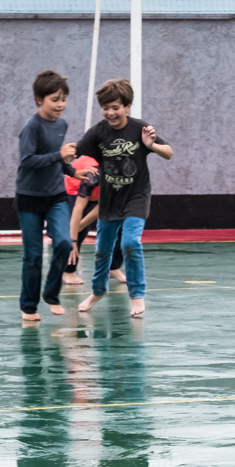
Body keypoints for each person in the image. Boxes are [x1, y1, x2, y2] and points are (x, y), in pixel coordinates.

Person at [75, 79, 173, 317]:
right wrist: (67, 160)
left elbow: (169, 153)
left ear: (127, 106)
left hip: (136, 197)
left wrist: (152, 145)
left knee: (130, 243)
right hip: (109, 199)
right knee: (102, 250)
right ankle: (98, 291)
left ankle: (137, 295)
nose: (110, 112)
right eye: (105, 107)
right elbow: (77, 152)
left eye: (116, 107)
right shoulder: (98, 132)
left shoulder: (140, 128)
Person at [14, 70, 95, 322]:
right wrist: (59, 155)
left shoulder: (62, 125)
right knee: (34, 256)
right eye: (55, 99)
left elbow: (57, 162)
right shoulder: (32, 128)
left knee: (64, 243)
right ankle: (29, 307)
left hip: (56, 196)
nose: (60, 105)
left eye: (64, 99)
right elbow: (28, 161)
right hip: (29, 198)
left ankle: (51, 294)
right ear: (39, 100)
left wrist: (72, 171)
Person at [63, 155, 125, 287]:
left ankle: (113, 267)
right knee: (77, 232)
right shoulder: (91, 176)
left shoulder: (122, 178)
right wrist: (73, 235)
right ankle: (67, 270)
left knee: (119, 224)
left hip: (100, 187)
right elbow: (78, 207)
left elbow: (102, 207)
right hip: (76, 188)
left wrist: (79, 226)